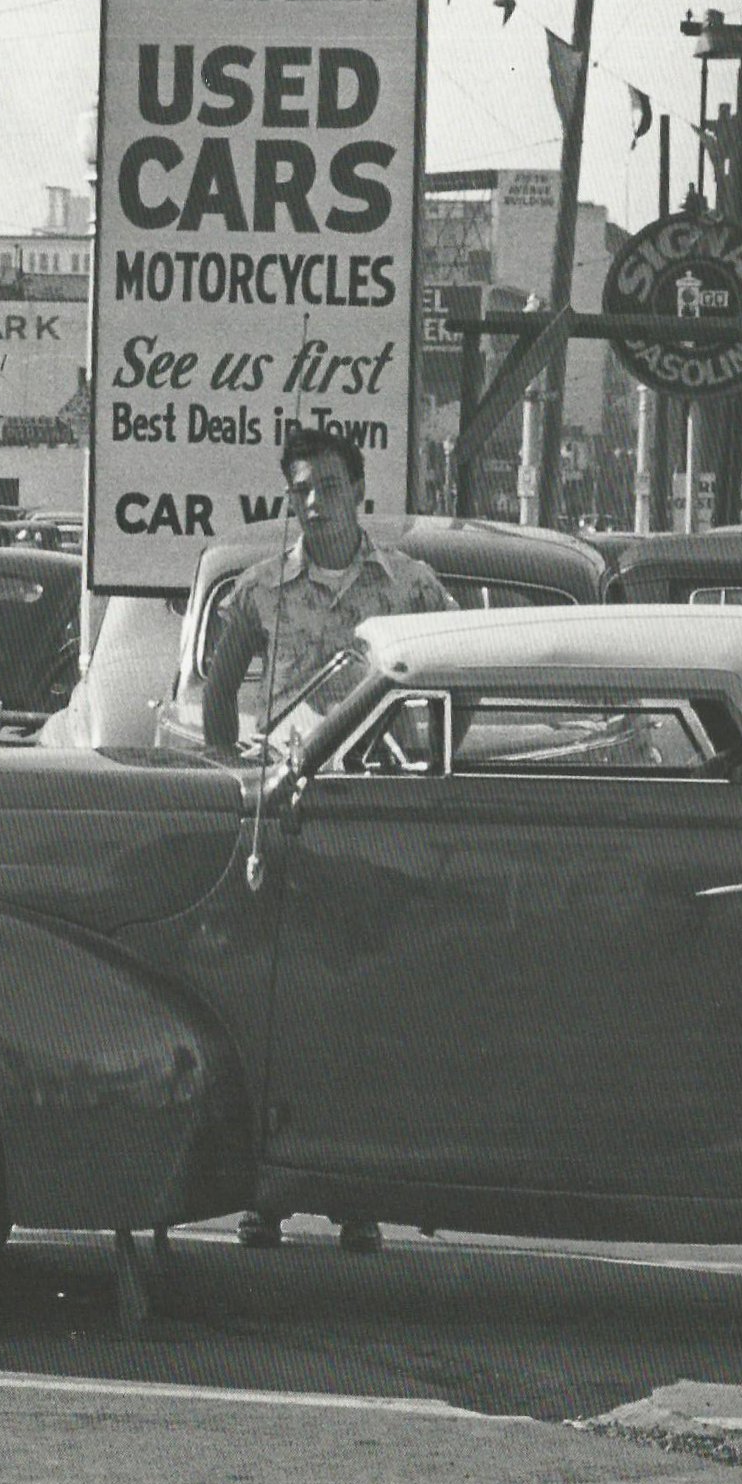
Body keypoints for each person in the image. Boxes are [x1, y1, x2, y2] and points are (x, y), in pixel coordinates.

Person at [204, 424, 455, 1255]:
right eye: (301, 491)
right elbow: (219, 689)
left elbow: (458, 678)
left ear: (359, 493)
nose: (315, 504)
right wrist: (233, 772)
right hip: (290, 821)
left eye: (330, 488)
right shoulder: (259, 590)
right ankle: (266, 1198)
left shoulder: (411, 587)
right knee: (277, 1012)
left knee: (365, 1014)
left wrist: (429, 762)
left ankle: (356, 1196)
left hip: (378, 822)